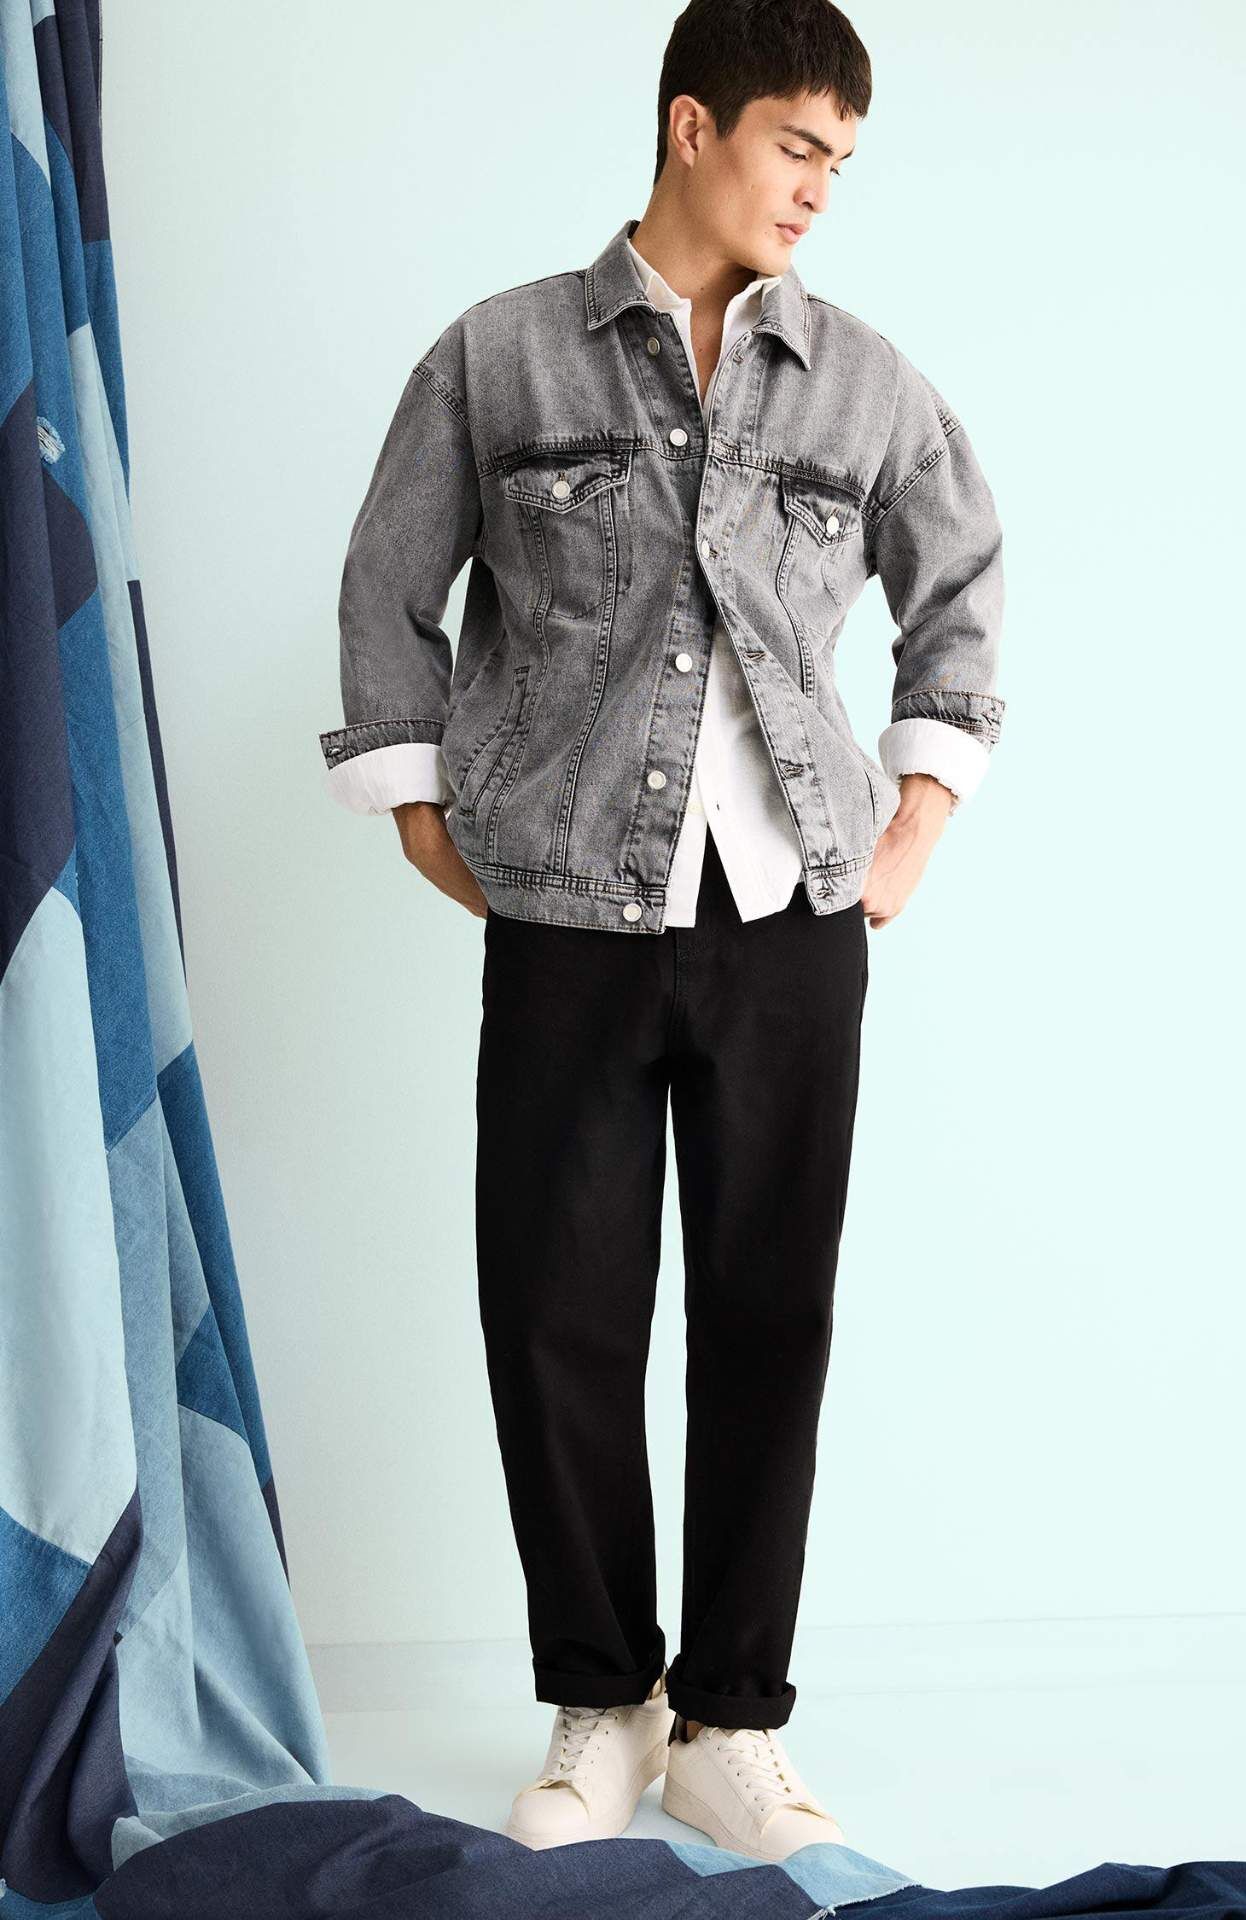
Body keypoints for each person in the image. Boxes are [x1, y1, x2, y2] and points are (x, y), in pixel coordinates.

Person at [318, 0, 1004, 1864]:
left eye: (843, 162)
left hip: (791, 917)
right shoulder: (500, 354)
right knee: (557, 1309)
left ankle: (733, 1723)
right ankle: (601, 1703)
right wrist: (419, 809)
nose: (821, 189)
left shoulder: (865, 381)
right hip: (566, 912)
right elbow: (388, 581)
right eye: (797, 145)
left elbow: (960, 585)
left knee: (770, 1314)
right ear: (692, 125)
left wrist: (917, 819)